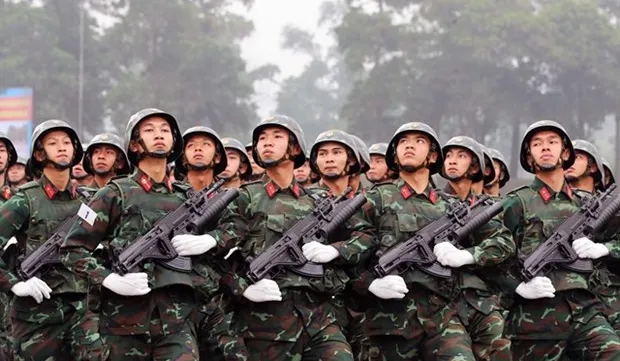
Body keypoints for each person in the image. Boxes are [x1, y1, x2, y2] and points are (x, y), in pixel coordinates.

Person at [61, 108, 213, 360]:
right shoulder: (113, 194)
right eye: (150, 130)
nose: (159, 135)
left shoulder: (187, 197)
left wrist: (209, 243)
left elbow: (218, 255)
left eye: (165, 130)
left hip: (176, 323)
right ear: (134, 143)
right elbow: (72, 249)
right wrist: (109, 278)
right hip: (124, 323)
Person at [502, 120, 620, 360]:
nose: (545, 147)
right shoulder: (517, 203)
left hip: (585, 312)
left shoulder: (585, 203)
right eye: (537, 143)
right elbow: (492, 258)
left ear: (565, 152)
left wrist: (604, 249)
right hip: (536, 321)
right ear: (529, 155)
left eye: (552, 142)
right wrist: (518, 286)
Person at [0, 119, 106, 360]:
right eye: (53, 143)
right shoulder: (24, 200)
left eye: (67, 142)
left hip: (83, 308)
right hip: (37, 314)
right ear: (39, 153)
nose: (62, 147)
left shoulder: (89, 201)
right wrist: (14, 283)